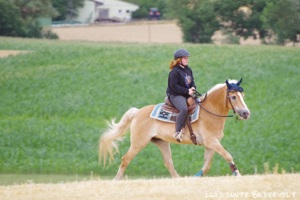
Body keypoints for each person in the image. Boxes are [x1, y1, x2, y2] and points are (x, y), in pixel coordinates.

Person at [166, 49, 196, 140]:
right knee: (184, 109)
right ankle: (178, 131)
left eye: (187, 58)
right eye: (185, 58)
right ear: (179, 60)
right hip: (175, 95)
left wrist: (193, 88)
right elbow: (173, 86)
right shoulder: (174, 72)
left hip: (186, 94)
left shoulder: (188, 70)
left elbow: (192, 82)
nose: (187, 60)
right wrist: (187, 91)